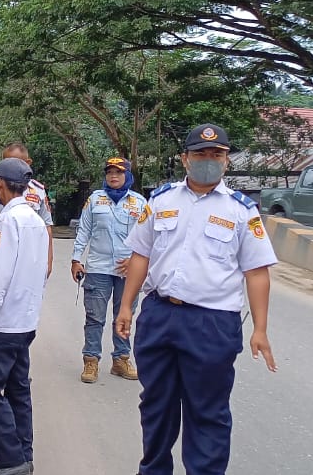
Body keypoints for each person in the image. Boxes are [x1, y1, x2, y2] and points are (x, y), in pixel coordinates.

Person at [115, 123, 279, 475]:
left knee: (207, 412)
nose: (209, 160)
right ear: (184, 159)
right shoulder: (161, 200)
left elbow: (257, 272)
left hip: (212, 323)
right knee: (155, 405)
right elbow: (141, 255)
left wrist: (260, 329)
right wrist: (127, 305)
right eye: (201, 154)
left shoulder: (242, 211)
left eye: (216, 155)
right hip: (159, 315)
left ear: (227, 161)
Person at [0, 158, 50, 475]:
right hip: (26, 322)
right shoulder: (34, 219)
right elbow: (39, 273)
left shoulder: (7, 221)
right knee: (18, 388)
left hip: (4, 324)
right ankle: (24, 454)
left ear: (0, 184)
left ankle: (11, 460)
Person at [0, 144, 53, 384]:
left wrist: (47, 260)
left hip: (23, 252)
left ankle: (12, 363)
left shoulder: (36, 191)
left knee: (14, 305)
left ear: (28, 164)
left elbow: (46, 225)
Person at [70, 157, 147, 383]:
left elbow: (147, 236)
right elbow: (84, 229)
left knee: (124, 317)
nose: (113, 176)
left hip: (128, 271)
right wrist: (76, 259)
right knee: (94, 317)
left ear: (128, 176)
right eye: (109, 172)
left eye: (119, 172)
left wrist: (136, 260)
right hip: (98, 267)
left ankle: (121, 359)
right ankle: (91, 361)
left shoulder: (140, 203)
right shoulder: (95, 200)